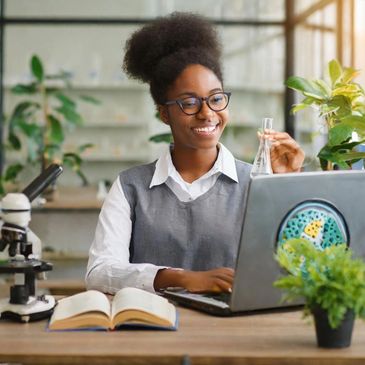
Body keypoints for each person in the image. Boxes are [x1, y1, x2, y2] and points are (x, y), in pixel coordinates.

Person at [86, 12, 305, 295]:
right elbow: (99, 272)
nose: (207, 113)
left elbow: (293, 265)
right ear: (164, 113)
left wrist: (283, 187)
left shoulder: (256, 181)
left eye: (216, 98)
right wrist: (181, 278)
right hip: (150, 330)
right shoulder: (131, 187)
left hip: (233, 332)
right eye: (189, 102)